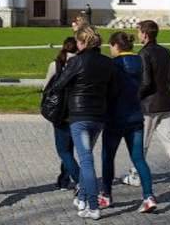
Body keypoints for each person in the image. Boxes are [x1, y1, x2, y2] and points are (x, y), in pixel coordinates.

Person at [50, 24, 117, 220]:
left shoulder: (77, 61)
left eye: (78, 41)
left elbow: (59, 84)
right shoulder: (107, 62)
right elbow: (113, 89)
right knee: (86, 158)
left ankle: (93, 205)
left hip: (79, 116)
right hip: (98, 116)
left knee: (86, 161)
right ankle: (85, 199)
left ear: (82, 42)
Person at [126, 20, 170, 191]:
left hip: (149, 106)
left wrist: (135, 96)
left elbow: (146, 82)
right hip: (167, 101)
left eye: (139, 32)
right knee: (169, 140)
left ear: (145, 34)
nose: (138, 35)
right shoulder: (166, 51)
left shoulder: (143, 54)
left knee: (142, 142)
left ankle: (135, 174)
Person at [99, 31, 157, 214]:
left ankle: (106, 195)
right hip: (135, 115)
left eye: (111, 46)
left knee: (108, 157)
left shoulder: (112, 64)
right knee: (138, 158)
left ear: (116, 45)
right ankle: (148, 196)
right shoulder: (140, 60)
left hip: (115, 117)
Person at [45, 36, 80, 191]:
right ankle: (64, 179)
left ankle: (80, 180)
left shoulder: (55, 64)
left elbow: (46, 86)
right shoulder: (81, 63)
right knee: (69, 148)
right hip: (77, 110)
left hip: (60, 111)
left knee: (63, 150)